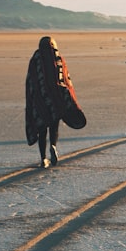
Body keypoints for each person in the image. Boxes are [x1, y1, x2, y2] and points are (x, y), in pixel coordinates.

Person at [25, 36, 86, 168]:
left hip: (40, 101)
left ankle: (43, 159)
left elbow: (31, 81)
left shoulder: (35, 60)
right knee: (54, 127)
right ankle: (53, 145)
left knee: (42, 130)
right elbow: (66, 81)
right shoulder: (59, 59)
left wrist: (33, 99)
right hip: (56, 100)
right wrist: (68, 100)